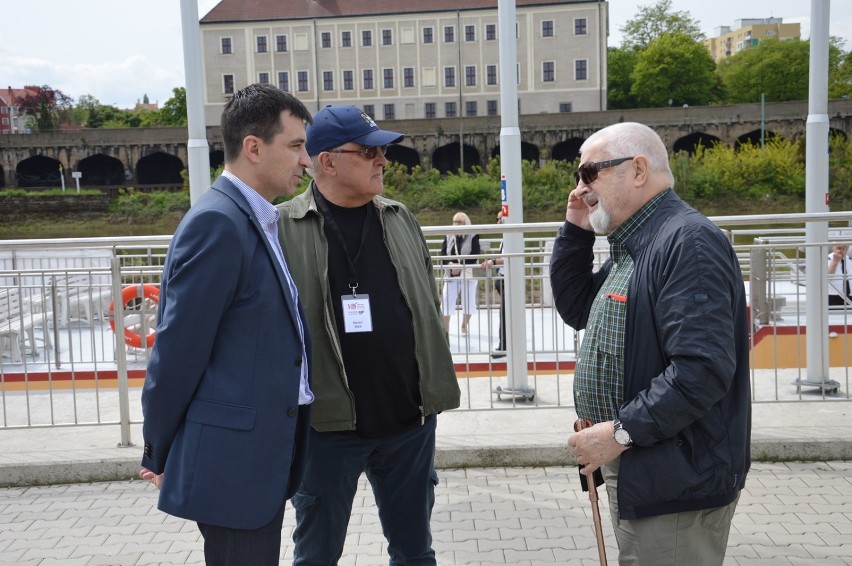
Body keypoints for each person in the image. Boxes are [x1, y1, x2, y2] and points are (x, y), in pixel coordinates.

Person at [549, 122, 751, 566]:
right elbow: (577, 306)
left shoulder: (686, 242)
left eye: (589, 172)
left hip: (676, 478)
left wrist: (620, 432)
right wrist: (578, 230)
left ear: (638, 170)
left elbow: (702, 370)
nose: (581, 187)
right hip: (646, 464)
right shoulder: (638, 243)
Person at [276, 105, 461, 565]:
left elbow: (428, 306)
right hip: (327, 428)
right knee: (316, 555)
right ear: (327, 161)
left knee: (415, 553)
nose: (382, 160)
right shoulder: (281, 228)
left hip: (409, 423)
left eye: (383, 151)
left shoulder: (399, 217)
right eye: (369, 151)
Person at [138, 84, 314, 565]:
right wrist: (159, 446)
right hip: (233, 464)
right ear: (254, 148)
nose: (307, 161)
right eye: (296, 146)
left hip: (255, 456)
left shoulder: (254, 218)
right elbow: (177, 350)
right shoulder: (219, 223)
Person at [440, 211, 481, 335]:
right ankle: (446, 329)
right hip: (452, 272)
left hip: (468, 272)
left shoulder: (472, 235)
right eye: (455, 222)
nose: (456, 224)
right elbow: (443, 253)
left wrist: (461, 266)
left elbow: (475, 255)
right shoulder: (449, 235)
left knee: (469, 301)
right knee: (446, 300)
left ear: (466, 223)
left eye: (459, 222)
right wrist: (451, 265)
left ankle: (464, 325)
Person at [480, 210, 507, 358]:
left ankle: (503, 347)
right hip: (503, 278)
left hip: (507, 280)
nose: (497, 222)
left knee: (505, 315)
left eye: (499, 219)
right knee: (504, 314)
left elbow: (508, 257)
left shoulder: (511, 236)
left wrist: (493, 262)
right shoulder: (505, 237)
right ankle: (504, 346)